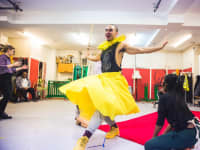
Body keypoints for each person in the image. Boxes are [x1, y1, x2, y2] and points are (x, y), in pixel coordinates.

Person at [59, 24, 168, 150]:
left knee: (101, 109)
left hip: (114, 81)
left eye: (111, 30)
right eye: (106, 30)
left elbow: (141, 50)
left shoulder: (121, 46)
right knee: (103, 108)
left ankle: (85, 138)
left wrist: (159, 47)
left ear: (116, 32)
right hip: (103, 79)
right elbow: (96, 58)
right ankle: (114, 128)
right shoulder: (103, 48)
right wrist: (88, 56)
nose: (107, 32)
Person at [145, 74, 200, 150]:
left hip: (186, 135)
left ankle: (185, 145)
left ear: (166, 85)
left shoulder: (164, 98)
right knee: (168, 138)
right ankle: (185, 146)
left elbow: (160, 123)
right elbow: (172, 123)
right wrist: (163, 137)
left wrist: (154, 138)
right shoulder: (179, 95)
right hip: (195, 131)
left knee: (149, 145)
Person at [0, 45, 27, 119]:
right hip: (3, 77)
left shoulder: (9, 59)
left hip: (8, 77)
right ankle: (1, 112)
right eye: (13, 51)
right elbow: (1, 66)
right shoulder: (2, 57)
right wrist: (13, 64)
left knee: (8, 95)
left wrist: (21, 67)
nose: (13, 52)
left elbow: (12, 70)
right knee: (7, 95)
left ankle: (1, 112)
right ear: (8, 50)